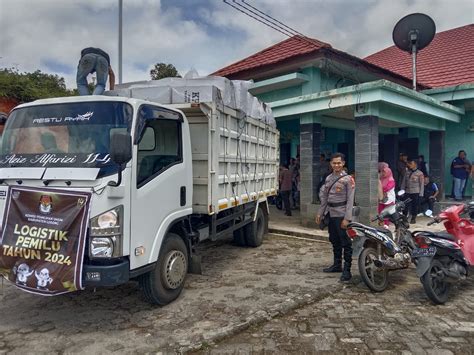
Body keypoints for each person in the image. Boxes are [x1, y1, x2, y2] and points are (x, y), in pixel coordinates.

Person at [316, 153, 355, 282]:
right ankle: (337, 265)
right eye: (334, 163)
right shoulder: (328, 178)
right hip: (331, 214)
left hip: (341, 214)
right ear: (331, 164)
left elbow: (350, 200)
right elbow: (325, 198)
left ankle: (347, 270)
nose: (336, 165)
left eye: (339, 163)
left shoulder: (348, 179)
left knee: (346, 243)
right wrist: (320, 213)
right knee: (334, 240)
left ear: (343, 163)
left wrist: (347, 218)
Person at [401, 158, 424, 224]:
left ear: (415, 164)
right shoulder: (407, 172)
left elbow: (421, 184)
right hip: (407, 191)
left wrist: (421, 194)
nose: (410, 165)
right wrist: (402, 191)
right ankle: (404, 218)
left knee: (415, 206)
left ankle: (413, 218)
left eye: (411, 164)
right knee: (405, 205)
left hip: (416, 192)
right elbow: (403, 182)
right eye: (409, 163)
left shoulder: (420, 173)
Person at [378, 163, 396, 227]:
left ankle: (386, 225)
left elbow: (387, 188)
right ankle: (382, 224)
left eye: (384, 172)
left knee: (386, 213)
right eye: (382, 172)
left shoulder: (391, 180)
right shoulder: (381, 179)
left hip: (389, 199)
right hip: (381, 199)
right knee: (380, 212)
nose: (383, 173)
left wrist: (380, 187)